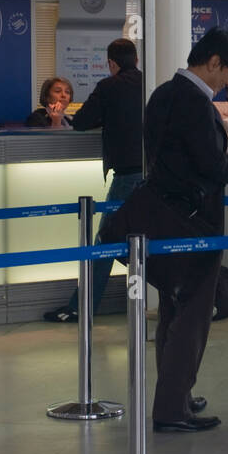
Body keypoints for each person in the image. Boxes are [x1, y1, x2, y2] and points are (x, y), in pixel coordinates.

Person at [144, 27, 228, 431]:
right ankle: (172, 409)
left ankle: (176, 395)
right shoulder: (196, 102)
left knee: (172, 308)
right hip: (196, 221)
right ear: (214, 61)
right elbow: (208, 164)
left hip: (165, 218)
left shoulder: (162, 94)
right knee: (193, 316)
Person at [44, 41, 143, 324]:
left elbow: (83, 121)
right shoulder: (151, 83)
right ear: (136, 59)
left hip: (126, 177)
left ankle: (81, 307)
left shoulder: (109, 87)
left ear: (111, 63)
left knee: (105, 241)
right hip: (153, 176)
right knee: (149, 238)